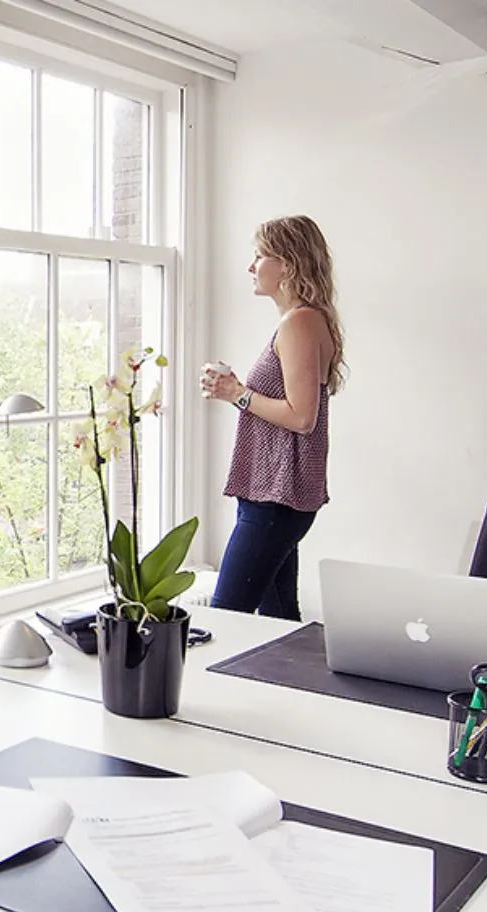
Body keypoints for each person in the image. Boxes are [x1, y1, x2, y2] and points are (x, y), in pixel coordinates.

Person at [200, 215, 344, 621]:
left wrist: (237, 394)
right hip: (273, 492)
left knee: (226, 617)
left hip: (277, 497)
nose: (251, 266)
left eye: (260, 255)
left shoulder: (301, 322)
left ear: (289, 264)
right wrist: (236, 392)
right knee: (279, 619)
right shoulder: (302, 320)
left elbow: (302, 418)